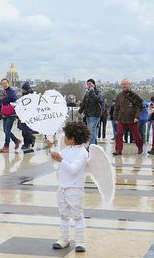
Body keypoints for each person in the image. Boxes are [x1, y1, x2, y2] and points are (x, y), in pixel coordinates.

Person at [48, 122, 90, 253]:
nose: (64, 138)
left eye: (66, 136)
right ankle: (63, 239)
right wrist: (51, 148)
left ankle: (80, 241)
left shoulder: (82, 153)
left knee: (77, 215)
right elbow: (57, 161)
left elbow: (73, 170)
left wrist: (60, 159)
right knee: (64, 215)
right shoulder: (66, 150)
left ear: (72, 138)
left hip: (75, 189)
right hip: (62, 188)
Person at [113, 79, 144, 155]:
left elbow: (140, 107)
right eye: (123, 84)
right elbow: (116, 108)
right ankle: (118, 150)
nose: (124, 86)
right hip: (121, 118)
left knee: (136, 135)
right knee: (119, 134)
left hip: (132, 119)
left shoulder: (134, 95)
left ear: (129, 85)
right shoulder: (119, 95)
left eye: (125, 84)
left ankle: (140, 147)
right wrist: (116, 118)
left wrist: (137, 117)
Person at [0, 78, 21, 153]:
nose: (4, 85)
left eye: (5, 83)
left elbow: (14, 99)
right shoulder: (5, 92)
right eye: (3, 83)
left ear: (8, 83)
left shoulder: (12, 91)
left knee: (7, 130)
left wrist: (5, 99)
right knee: (5, 130)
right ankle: (16, 140)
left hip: (11, 113)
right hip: (5, 113)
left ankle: (6, 146)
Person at [79, 79, 102, 145]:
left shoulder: (98, 92)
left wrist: (92, 91)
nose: (89, 85)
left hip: (95, 115)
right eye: (88, 84)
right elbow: (84, 103)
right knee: (92, 131)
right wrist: (80, 111)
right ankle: (95, 146)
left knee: (90, 131)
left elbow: (98, 100)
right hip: (88, 114)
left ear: (94, 85)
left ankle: (91, 147)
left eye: (90, 83)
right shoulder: (87, 93)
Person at [17, 83, 36, 152]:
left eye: (23, 89)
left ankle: (28, 143)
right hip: (23, 116)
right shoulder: (25, 95)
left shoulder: (31, 96)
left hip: (28, 116)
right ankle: (27, 143)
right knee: (24, 131)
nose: (22, 90)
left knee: (27, 131)